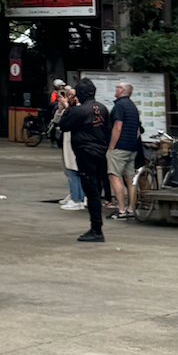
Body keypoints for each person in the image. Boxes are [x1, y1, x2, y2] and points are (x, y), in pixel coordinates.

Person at [59, 78, 111, 242]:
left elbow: (64, 125)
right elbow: (107, 130)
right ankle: (96, 227)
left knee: (91, 191)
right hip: (100, 152)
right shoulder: (102, 108)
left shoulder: (79, 111)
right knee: (97, 189)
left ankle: (96, 229)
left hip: (85, 152)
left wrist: (67, 108)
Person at [107, 81, 142, 220]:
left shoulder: (119, 106)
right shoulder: (132, 106)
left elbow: (118, 127)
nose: (115, 89)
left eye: (118, 87)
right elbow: (138, 130)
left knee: (114, 176)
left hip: (120, 147)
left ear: (122, 90)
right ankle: (131, 208)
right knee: (129, 178)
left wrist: (111, 147)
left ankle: (121, 209)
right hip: (132, 147)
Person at [55, 88, 85, 211]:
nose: (68, 98)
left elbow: (71, 118)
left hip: (76, 144)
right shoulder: (69, 109)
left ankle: (77, 199)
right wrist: (60, 108)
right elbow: (57, 121)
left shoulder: (79, 109)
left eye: (71, 95)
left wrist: (66, 106)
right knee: (70, 171)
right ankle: (75, 195)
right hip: (68, 144)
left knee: (74, 171)